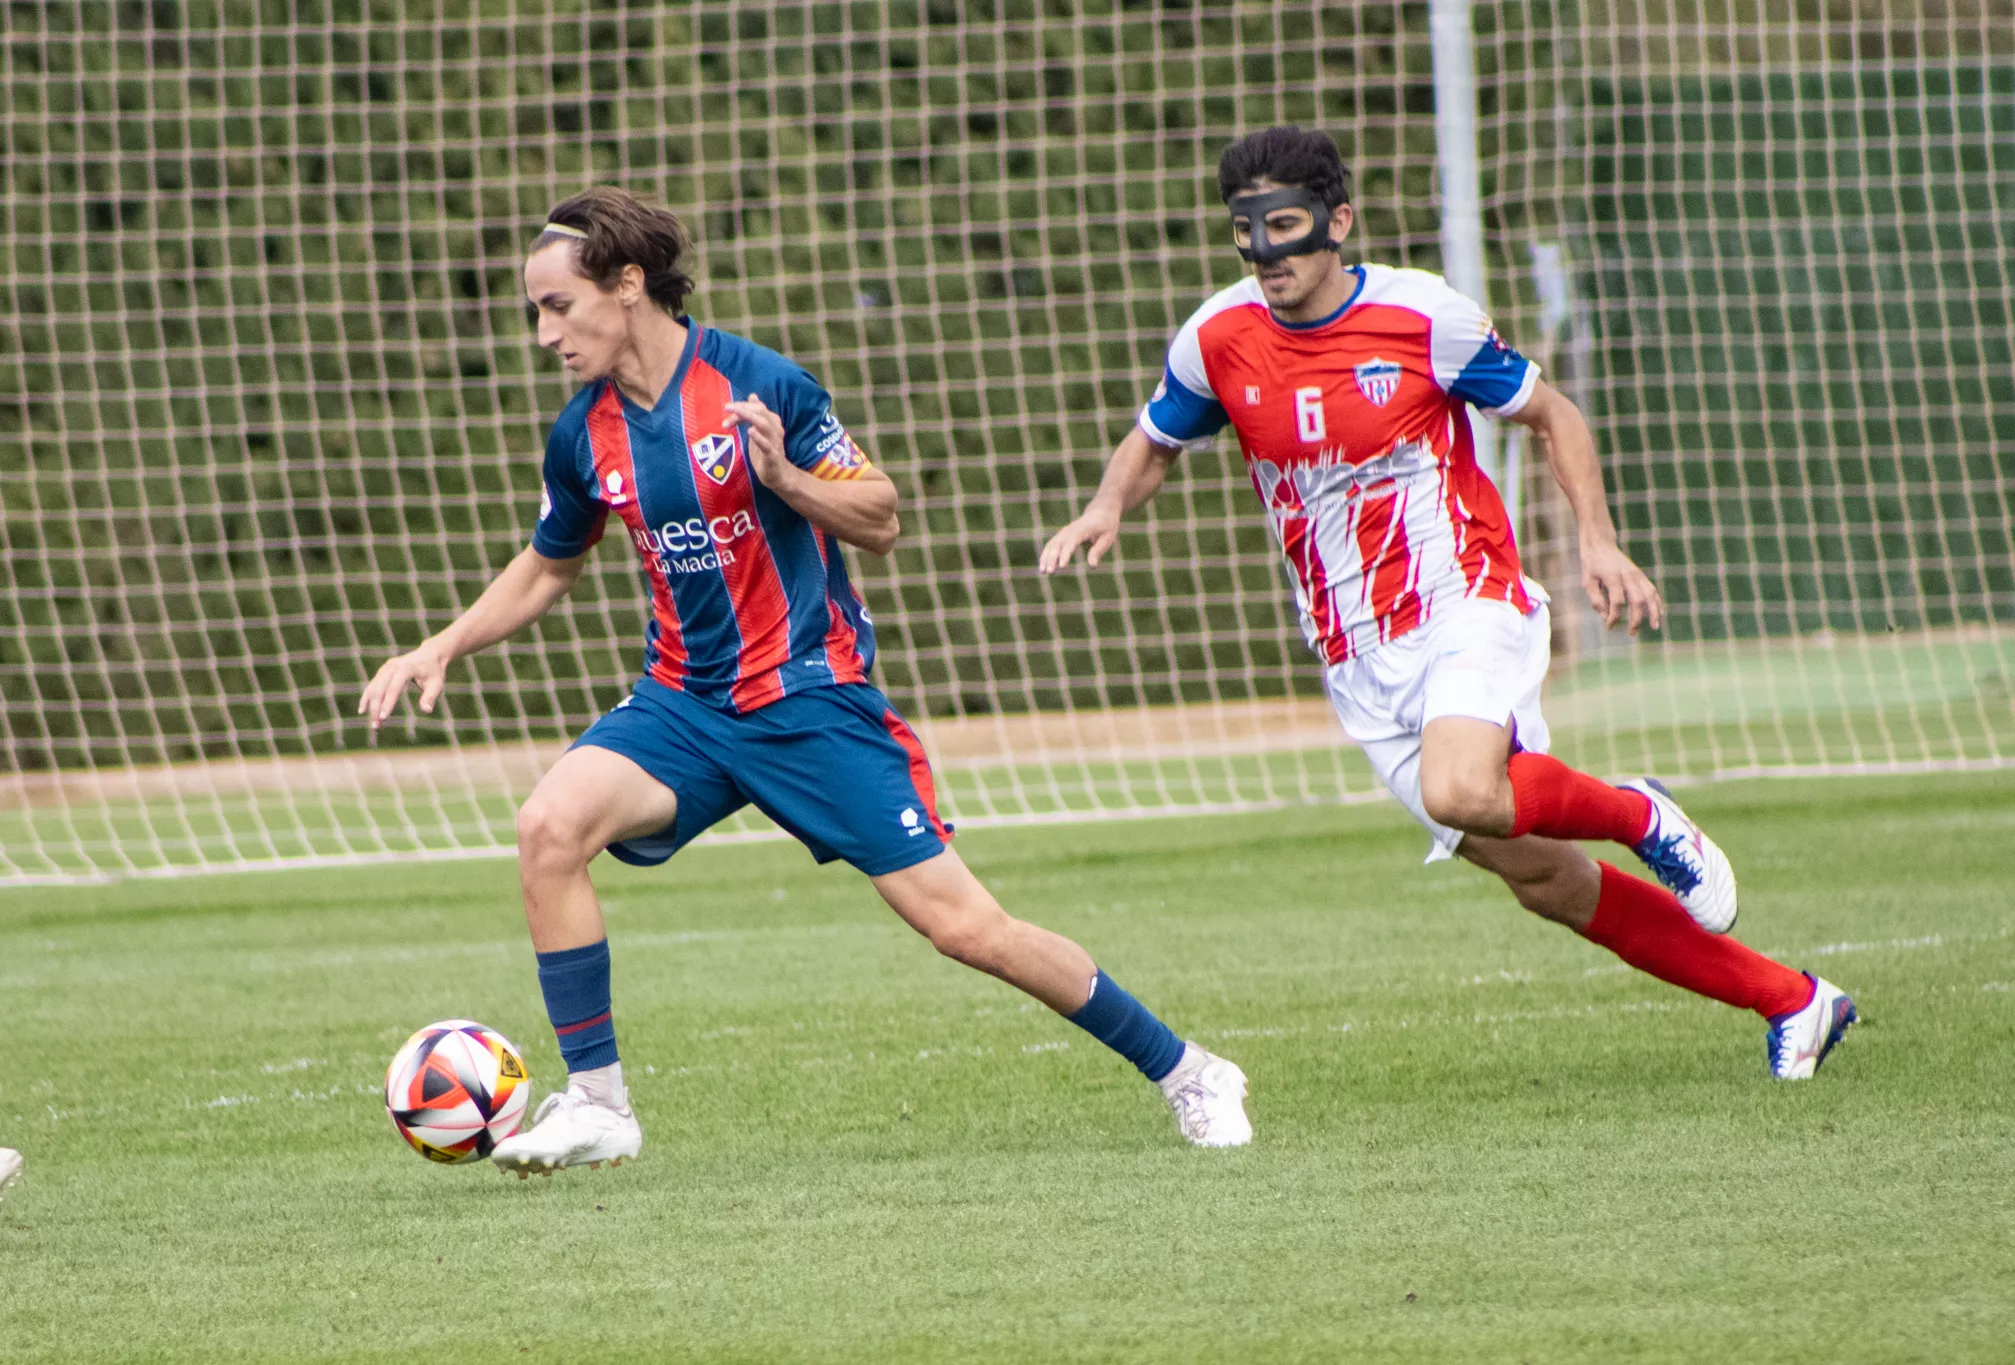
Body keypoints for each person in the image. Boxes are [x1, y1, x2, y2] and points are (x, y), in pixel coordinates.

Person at [358, 187, 1251, 1173]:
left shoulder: (758, 382)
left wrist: (783, 479)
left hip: (810, 700)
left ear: (625, 285)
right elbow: (550, 563)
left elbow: (880, 513)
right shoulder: (584, 436)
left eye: (556, 305)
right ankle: (598, 1105)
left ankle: (1189, 1071)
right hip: (684, 707)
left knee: (965, 929)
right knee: (547, 828)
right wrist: (442, 644)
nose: (543, 333)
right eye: (535, 310)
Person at [1040, 127, 1857, 1080]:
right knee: (1545, 878)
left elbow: (1552, 412)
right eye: (1246, 234)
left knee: (1462, 788)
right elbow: (1157, 438)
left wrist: (1596, 539)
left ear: (1338, 222)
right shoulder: (1218, 337)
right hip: (1355, 658)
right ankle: (1794, 1000)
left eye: (1288, 228)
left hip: (1464, 597)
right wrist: (1106, 503)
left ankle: (1640, 814)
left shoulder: (1423, 315)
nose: (1268, 255)